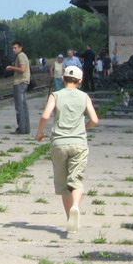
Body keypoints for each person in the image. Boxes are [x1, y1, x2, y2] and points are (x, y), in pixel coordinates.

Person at [35, 66, 99, 234]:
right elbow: (94, 119)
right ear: (80, 81)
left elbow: (45, 116)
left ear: (63, 79)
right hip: (79, 143)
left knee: (64, 186)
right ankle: (76, 207)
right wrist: (86, 127)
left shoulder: (55, 95)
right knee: (76, 180)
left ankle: (69, 221)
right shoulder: (84, 97)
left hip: (59, 143)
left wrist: (40, 132)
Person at [5, 41, 30, 134]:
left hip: (19, 83)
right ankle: (26, 128)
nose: (13, 50)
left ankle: (21, 129)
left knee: (19, 107)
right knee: (24, 107)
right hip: (24, 82)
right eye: (13, 48)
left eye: (15, 48)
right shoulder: (23, 55)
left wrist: (11, 68)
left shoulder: (20, 56)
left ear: (20, 48)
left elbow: (22, 69)